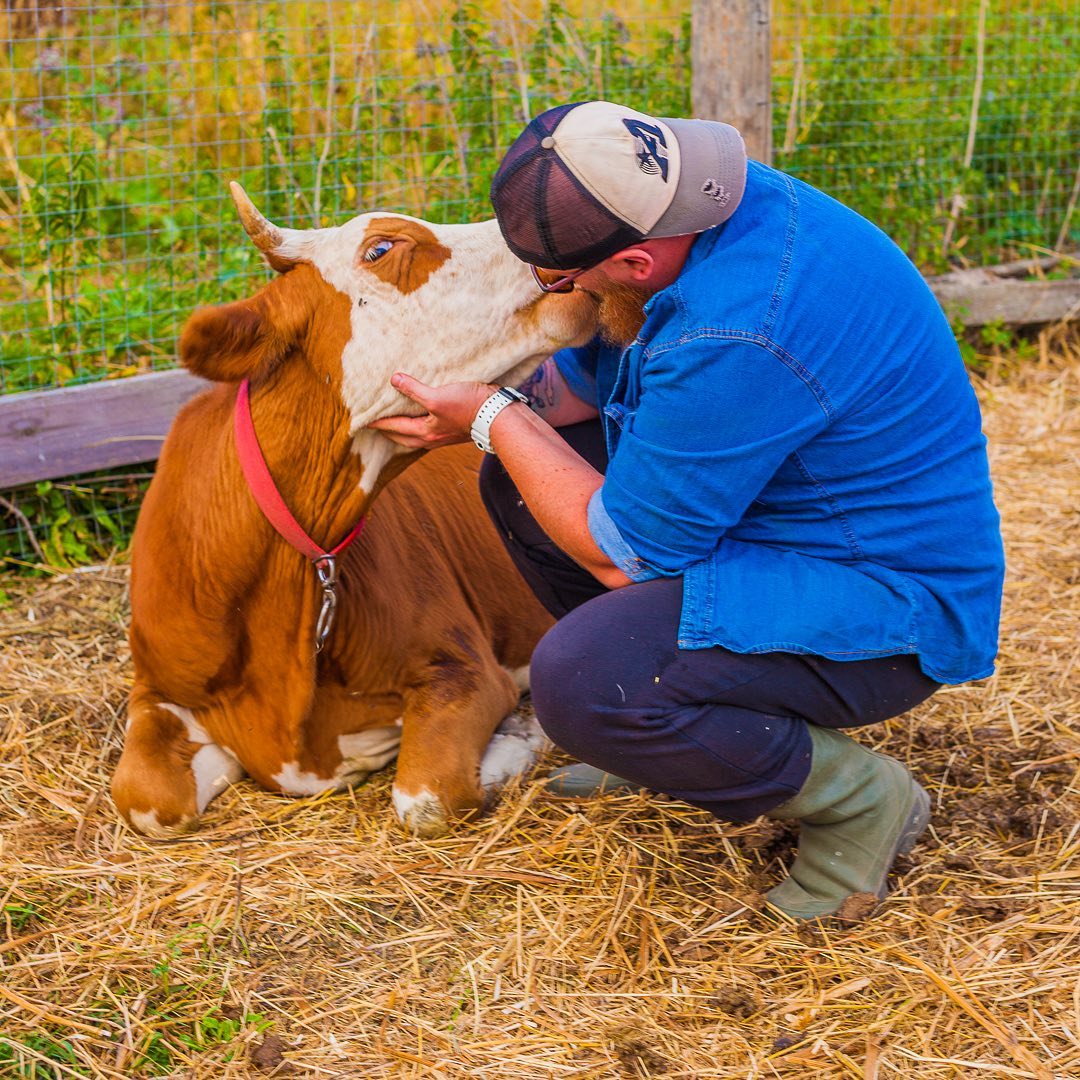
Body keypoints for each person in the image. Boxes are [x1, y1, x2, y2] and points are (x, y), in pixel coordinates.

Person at [369, 101, 1005, 920]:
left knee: (585, 682)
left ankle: (859, 801)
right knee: (519, 488)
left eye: (560, 281)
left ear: (633, 260)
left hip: (885, 607)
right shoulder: (695, 206)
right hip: (788, 525)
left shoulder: (740, 329)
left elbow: (619, 551)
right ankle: (680, 739)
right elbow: (598, 382)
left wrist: (495, 418)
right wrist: (500, 406)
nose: (552, 293)